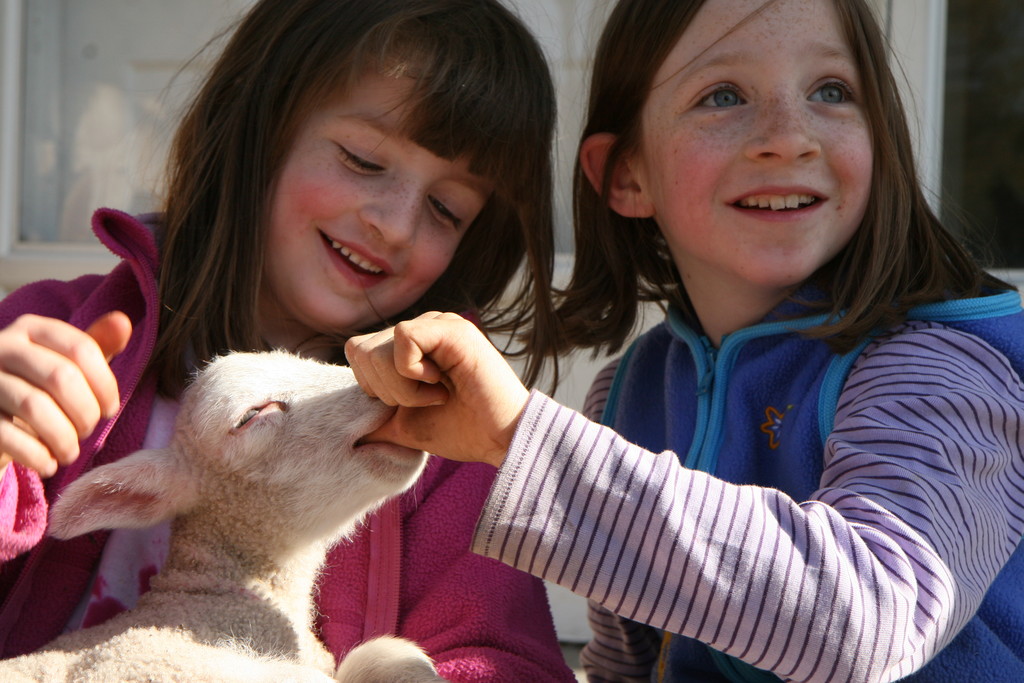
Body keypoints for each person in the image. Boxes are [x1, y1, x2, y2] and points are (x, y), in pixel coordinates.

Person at [343, 0, 1024, 681]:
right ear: (627, 175)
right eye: (723, 95)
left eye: (831, 90)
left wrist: (519, 437)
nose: (790, 138)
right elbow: (631, 665)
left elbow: (872, 618)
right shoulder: (628, 393)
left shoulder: (946, 366)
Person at [0, 1, 577, 680]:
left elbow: (504, 656)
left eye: (446, 209)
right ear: (260, 127)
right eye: (364, 160)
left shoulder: (448, 445)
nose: (395, 225)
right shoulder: (54, 342)